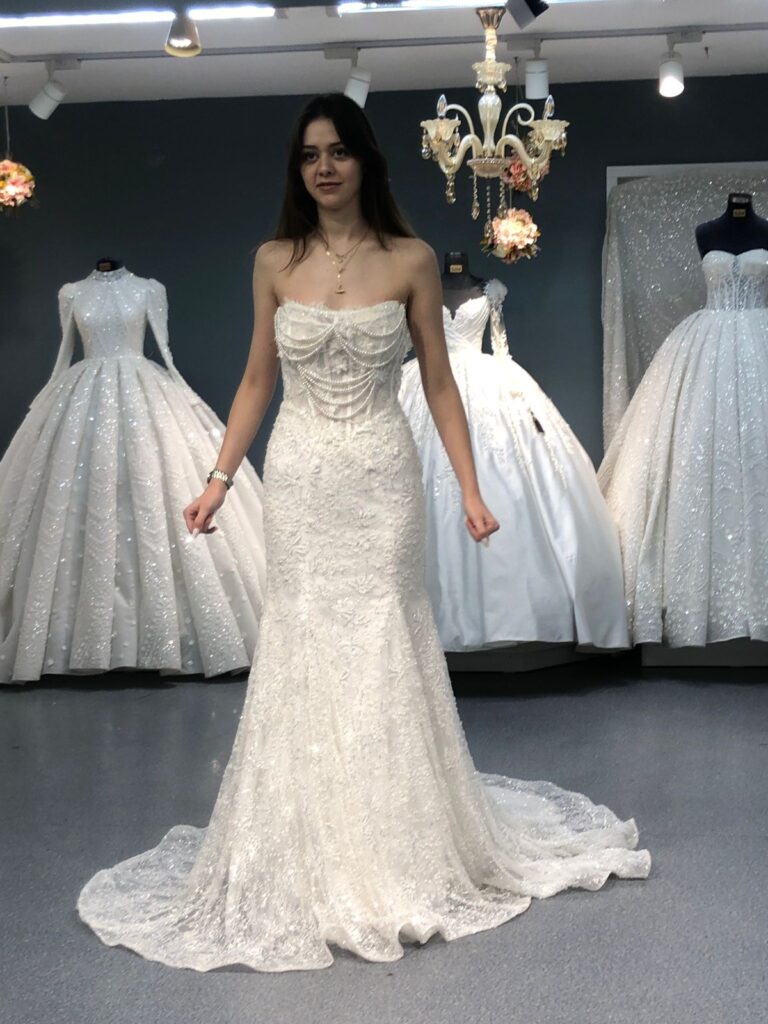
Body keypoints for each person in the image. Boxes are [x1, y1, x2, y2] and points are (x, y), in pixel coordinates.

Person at [77, 93, 650, 973]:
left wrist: (470, 487)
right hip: (303, 477)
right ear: (297, 170)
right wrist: (219, 480)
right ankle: (308, 833)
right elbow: (257, 379)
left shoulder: (411, 259)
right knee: (303, 637)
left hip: (382, 477)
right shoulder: (273, 260)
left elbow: (441, 384)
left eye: (339, 151)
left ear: (365, 161)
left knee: (384, 632)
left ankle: (394, 839)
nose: (325, 167)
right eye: (310, 155)